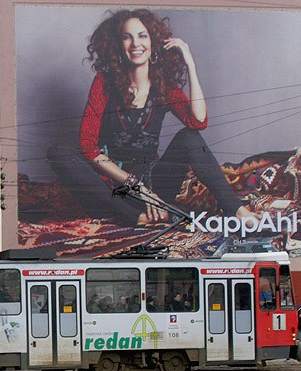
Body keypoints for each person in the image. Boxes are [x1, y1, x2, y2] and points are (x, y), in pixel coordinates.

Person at [74, 9, 254, 225]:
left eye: (142, 35)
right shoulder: (104, 82)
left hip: (155, 186)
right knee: (58, 152)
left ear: (153, 42)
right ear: (118, 45)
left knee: (190, 137)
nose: (135, 44)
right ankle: (137, 218)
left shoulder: (162, 87)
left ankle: (237, 210)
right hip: (114, 187)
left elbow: (198, 122)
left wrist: (191, 64)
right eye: (127, 37)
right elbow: (87, 146)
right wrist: (135, 186)